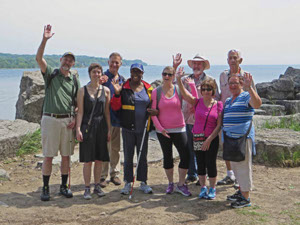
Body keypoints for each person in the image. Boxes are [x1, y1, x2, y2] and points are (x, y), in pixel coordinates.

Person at [36, 25, 81, 201]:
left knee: (66, 157)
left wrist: (75, 119)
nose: (67, 62)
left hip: (67, 122)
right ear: (61, 59)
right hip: (50, 120)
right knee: (48, 156)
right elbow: (39, 58)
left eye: (71, 61)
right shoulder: (51, 75)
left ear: (73, 64)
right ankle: (45, 188)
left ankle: (64, 186)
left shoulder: (74, 80)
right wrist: (45, 40)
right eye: (65, 59)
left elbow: (78, 104)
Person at [176, 67, 222, 200]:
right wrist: (179, 79)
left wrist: (209, 139)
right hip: (197, 138)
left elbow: (219, 125)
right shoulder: (197, 102)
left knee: (211, 163)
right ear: (201, 91)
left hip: (211, 139)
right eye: (204, 89)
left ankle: (212, 188)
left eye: (209, 89)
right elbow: (185, 94)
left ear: (213, 91)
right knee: (200, 164)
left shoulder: (218, 104)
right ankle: (203, 187)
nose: (206, 91)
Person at [110, 63, 154, 195]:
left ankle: (143, 182)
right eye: (133, 71)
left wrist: (154, 111)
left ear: (142, 73)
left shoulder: (148, 88)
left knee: (142, 156)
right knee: (128, 156)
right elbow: (115, 107)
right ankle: (127, 183)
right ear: (130, 72)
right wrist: (117, 94)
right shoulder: (124, 87)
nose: (136, 74)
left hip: (143, 128)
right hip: (128, 128)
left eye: (138, 71)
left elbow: (153, 104)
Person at [217, 49, 257, 187]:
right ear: (227, 60)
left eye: (235, 57)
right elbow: (220, 95)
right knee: (226, 146)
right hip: (226, 114)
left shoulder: (246, 77)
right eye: (230, 58)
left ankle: (242, 185)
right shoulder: (223, 75)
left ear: (240, 60)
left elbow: (255, 100)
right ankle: (230, 175)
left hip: (242, 120)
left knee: (241, 153)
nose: (232, 60)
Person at [151, 66, 191, 196]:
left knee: (185, 156)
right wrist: (161, 129)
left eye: (169, 74)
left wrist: (182, 81)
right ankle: (170, 183)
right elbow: (152, 113)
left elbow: (192, 99)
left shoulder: (179, 90)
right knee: (167, 157)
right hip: (163, 131)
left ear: (173, 76)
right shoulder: (156, 92)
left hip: (179, 128)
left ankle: (181, 184)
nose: (167, 77)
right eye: (164, 74)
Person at [223, 74, 262, 208]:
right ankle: (241, 191)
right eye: (230, 83)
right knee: (235, 167)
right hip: (230, 138)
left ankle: (246, 198)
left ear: (241, 84)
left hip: (242, 138)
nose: (233, 86)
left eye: (235, 83)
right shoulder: (228, 100)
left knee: (244, 167)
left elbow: (257, 104)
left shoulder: (246, 96)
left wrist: (249, 88)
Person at [76, 63, 111, 199]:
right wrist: (78, 129)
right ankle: (86, 187)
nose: (96, 74)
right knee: (88, 160)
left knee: (99, 159)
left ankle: (97, 185)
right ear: (89, 73)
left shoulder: (106, 91)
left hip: (101, 126)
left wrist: (108, 129)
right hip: (87, 127)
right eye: (94, 72)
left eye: (99, 72)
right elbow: (80, 113)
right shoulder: (82, 91)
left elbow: (107, 113)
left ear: (102, 74)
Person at [100, 52, 125, 188]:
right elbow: (89, 90)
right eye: (112, 62)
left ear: (121, 64)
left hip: (117, 119)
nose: (114, 64)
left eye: (117, 62)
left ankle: (114, 174)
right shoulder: (102, 77)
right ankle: (102, 176)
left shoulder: (122, 79)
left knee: (115, 148)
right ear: (108, 62)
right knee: (104, 148)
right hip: (103, 119)